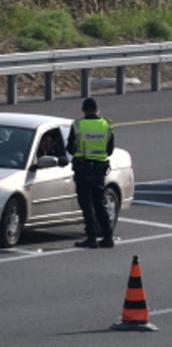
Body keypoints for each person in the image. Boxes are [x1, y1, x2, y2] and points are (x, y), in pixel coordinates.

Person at [66, 97, 115, 248]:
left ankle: (92, 238)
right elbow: (110, 149)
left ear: (83, 110)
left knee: (86, 204)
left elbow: (70, 148)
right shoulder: (106, 125)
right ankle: (108, 237)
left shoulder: (77, 125)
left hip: (83, 169)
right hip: (100, 170)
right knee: (100, 203)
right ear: (97, 109)